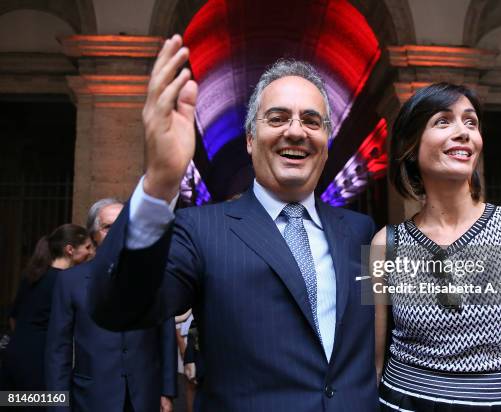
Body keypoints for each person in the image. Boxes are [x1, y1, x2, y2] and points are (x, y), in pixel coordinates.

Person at [88, 34, 378, 411]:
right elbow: (118, 305)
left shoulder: (361, 232)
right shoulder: (200, 231)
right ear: (249, 140)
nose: (295, 130)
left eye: (311, 120)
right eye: (277, 118)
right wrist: (160, 180)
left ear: (325, 142)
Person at [372, 83, 501, 411]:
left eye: (471, 123)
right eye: (443, 121)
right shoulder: (387, 244)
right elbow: (375, 361)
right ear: (411, 146)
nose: (463, 132)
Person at [45, 198, 177, 412]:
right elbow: (58, 349)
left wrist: (167, 391)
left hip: (145, 395)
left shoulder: (153, 277)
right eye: (108, 228)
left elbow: (165, 332)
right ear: (93, 236)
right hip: (92, 396)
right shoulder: (70, 282)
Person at [1, 224, 91, 394]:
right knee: (46, 404)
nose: (91, 252)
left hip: (14, 354)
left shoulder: (33, 275)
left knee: (13, 403)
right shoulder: (65, 281)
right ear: (70, 249)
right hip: (40, 361)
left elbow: (14, 317)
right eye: (87, 247)